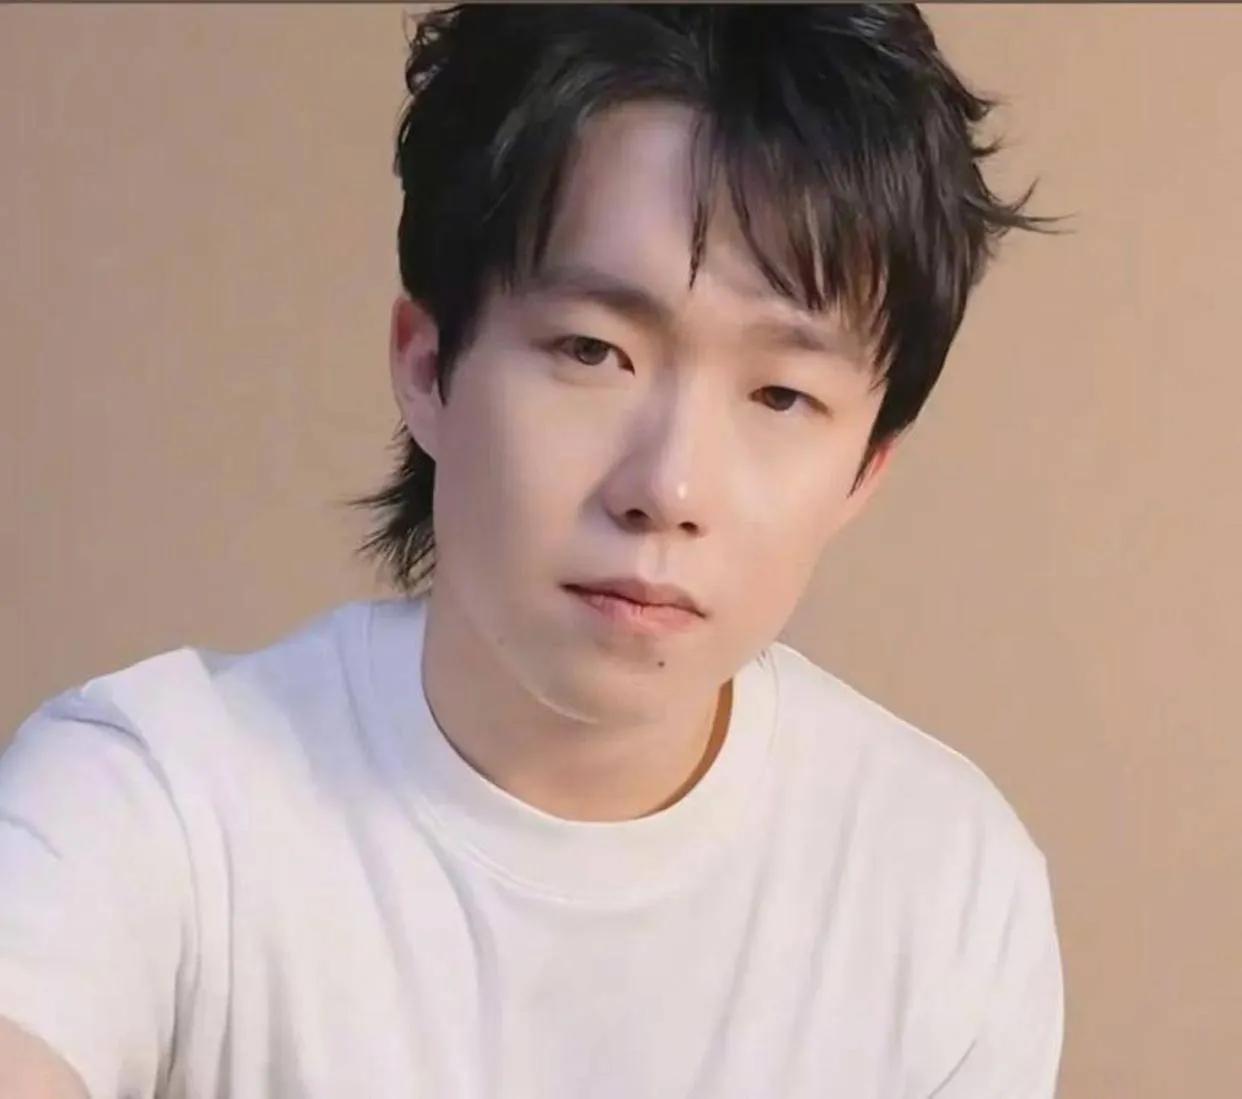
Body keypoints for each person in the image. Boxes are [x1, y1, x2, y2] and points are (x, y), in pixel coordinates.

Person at [0, 5, 1066, 1097]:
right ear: (427, 367)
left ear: (864, 469)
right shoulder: (153, 798)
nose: (668, 488)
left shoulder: (947, 892)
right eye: (592, 351)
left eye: (781, 395)